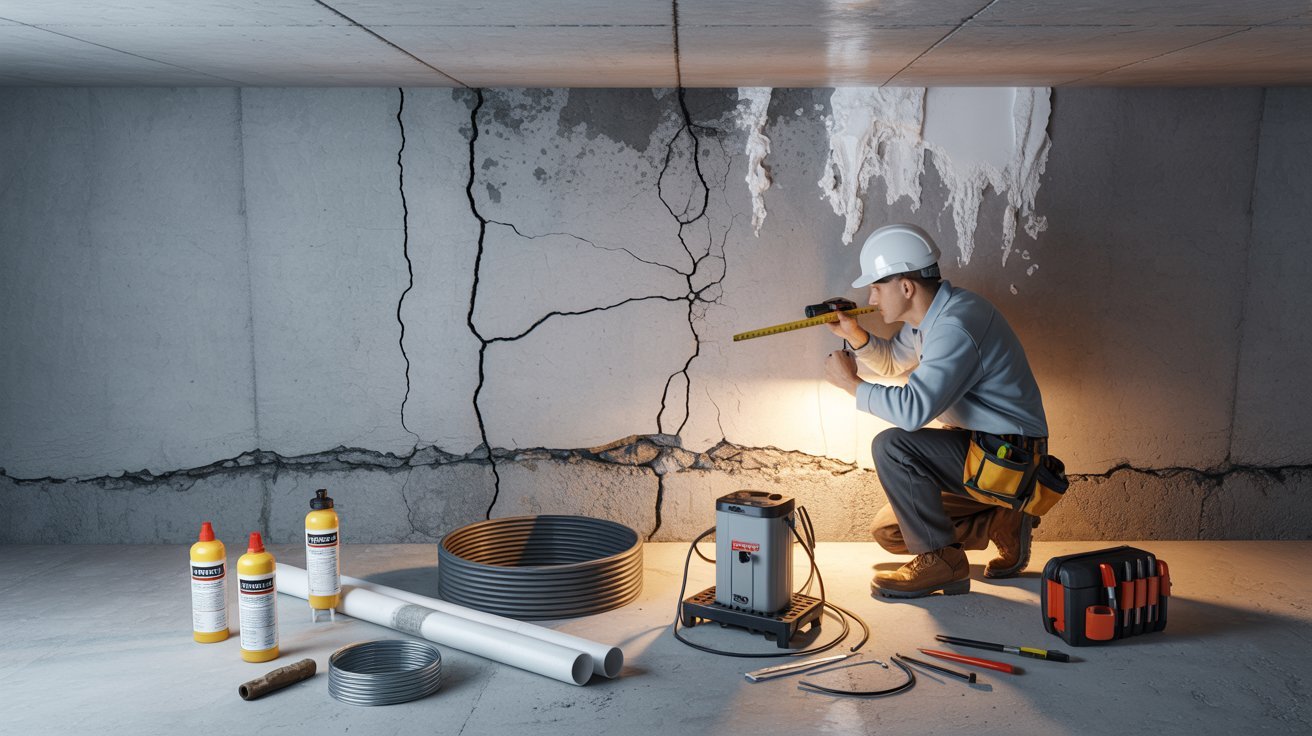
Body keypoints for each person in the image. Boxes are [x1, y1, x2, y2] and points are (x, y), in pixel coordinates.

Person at [822, 223, 1048, 598]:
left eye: (877, 287)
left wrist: (852, 385)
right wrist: (854, 335)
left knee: (893, 446)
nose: (872, 299)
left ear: (906, 287)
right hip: (981, 449)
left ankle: (943, 562)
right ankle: (1000, 521)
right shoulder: (933, 317)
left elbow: (913, 412)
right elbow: (894, 361)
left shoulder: (957, 325)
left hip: (1010, 456)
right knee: (890, 532)